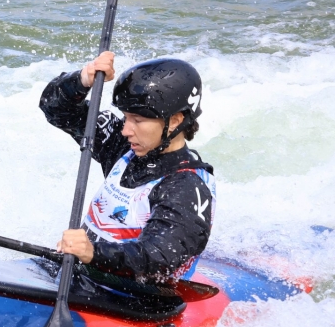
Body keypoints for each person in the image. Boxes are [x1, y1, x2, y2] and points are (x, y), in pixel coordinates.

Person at [40, 51, 216, 285]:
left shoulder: (186, 186)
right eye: (125, 117)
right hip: (79, 277)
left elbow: (161, 258)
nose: (125, 129)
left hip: (133, 300)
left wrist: (93, 252)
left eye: (138, 120)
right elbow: (56, 110)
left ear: (175, 120)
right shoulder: (123, 148)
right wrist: (83, 80)